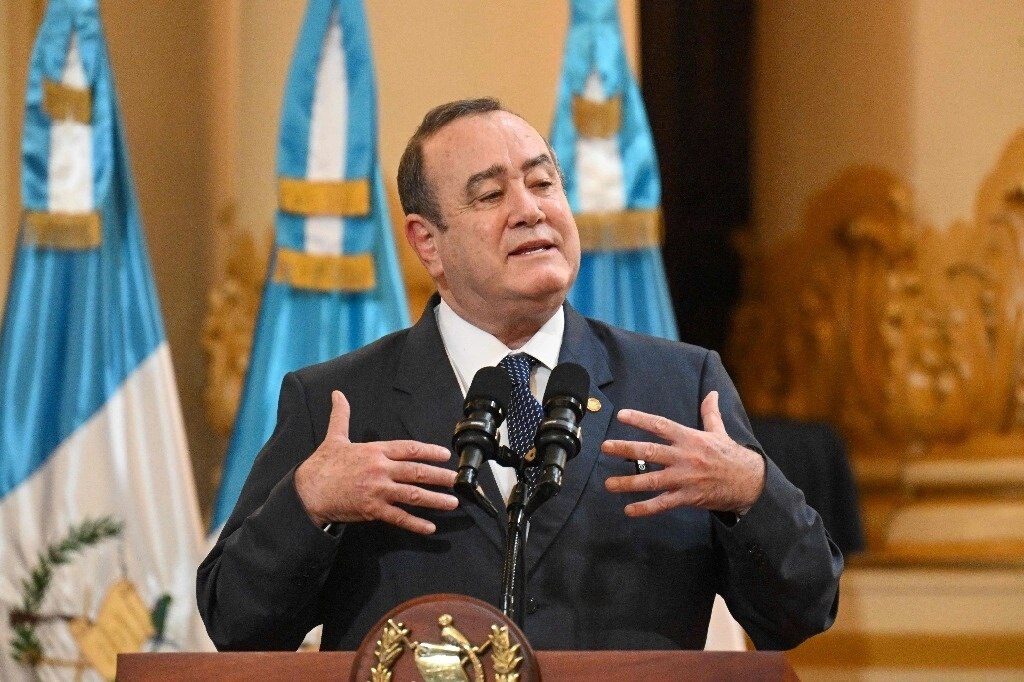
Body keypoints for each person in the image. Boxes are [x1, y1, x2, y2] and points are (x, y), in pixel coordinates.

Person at [197, 97, 842, 652]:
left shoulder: (679, 386)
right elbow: (237, 624)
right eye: (490, 194)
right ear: (427, 243)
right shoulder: (339, 403)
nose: (530, 210)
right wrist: (307, 506)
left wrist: (751, 494)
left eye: (543, 183)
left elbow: (802, 611)